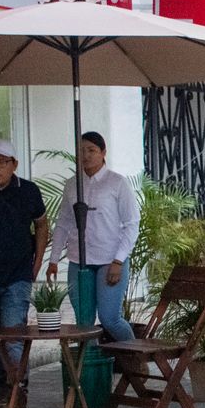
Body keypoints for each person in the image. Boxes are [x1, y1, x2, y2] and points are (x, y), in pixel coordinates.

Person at [46, 132, 138, 344]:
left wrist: (118, 260)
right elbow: (63, 222)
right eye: (81, 151)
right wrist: (53, 259)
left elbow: (131, 224)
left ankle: (135, 357)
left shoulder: (117, 182)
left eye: (91, 150)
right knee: (84, 322)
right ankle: (90, 362)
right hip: (79, 260)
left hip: (110, 260)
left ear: (103, 152)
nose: (86, 155)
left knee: (110, 318)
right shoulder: (72, 184)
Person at [0, 139, 48, 380]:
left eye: (2, 162)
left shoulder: (28, 191)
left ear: (14, 164)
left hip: (18, 275)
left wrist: (37, 263)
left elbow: (42, 225)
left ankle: (19, 390)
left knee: (13, 336)